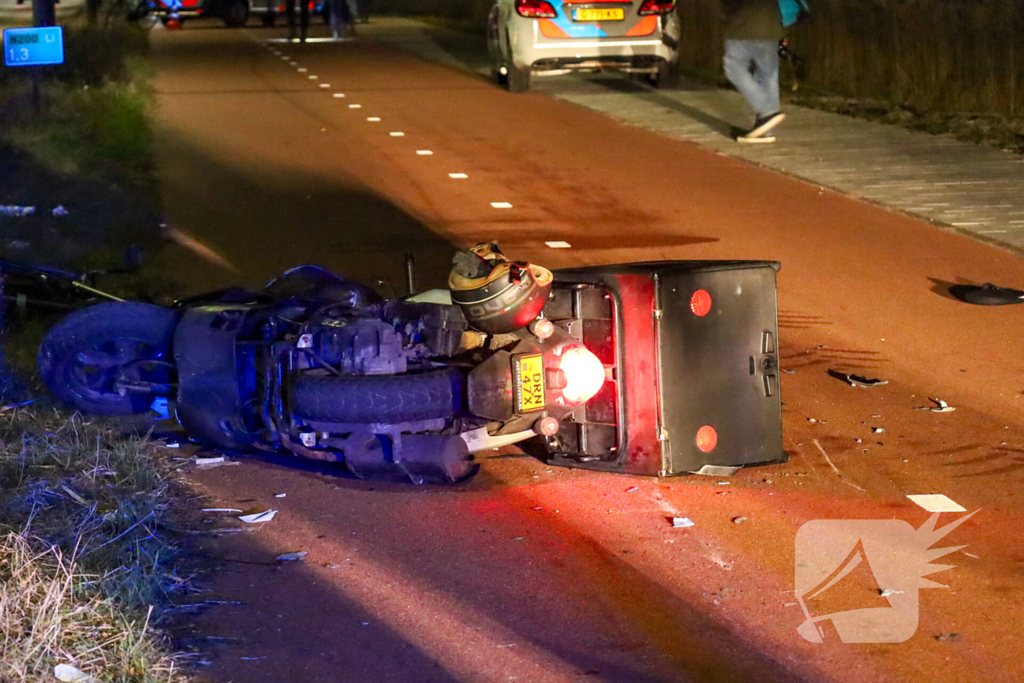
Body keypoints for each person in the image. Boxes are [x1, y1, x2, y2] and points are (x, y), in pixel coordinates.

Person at [722, 0, 787, 142]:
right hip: (771, 26)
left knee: (733, 66)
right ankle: (766, 130)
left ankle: (767, 111)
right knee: (768, 74)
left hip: (743, 26)